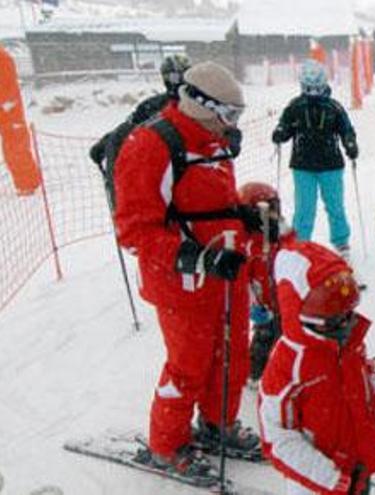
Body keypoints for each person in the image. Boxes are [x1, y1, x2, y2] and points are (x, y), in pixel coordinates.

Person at [114, 61, 260, 475]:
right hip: (182, 282)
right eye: (227, 114)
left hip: (226, 274)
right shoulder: (151, 145)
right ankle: (167, 444)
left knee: (231, 356)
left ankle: (217, 425)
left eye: (237, 116)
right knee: (189, 366)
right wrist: (197, 257)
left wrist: (241, 217)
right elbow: (135, 230)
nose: (231, 125)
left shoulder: (214, 141)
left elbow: (209, 203)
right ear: (199, 104)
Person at [258, 237, 375, 495]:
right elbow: (279, 439)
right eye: (333, 322)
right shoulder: (288, 365)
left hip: (358, 468)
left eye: (348, 316)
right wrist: (333, 480)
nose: (345, 326)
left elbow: (363, 375)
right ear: (302, 315)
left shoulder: (345, 342)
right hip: (319, 485)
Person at [272, 60, 359, 259]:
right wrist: (280, 133)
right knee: (304, 207)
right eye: (308, 88)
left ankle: (341, 242)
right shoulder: (295, 106)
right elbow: (285, 126)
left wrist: (350, 144)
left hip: (331, 165)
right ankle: (300, 243)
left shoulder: (333, 107)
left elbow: (346, 129)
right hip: (303, 166)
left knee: (335, 205)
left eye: (316, 88)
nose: (312, 93)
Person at [89, 54, 191, 170]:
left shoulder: (200, 103)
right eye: (176, 77)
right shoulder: (152, 106)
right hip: (161, 166)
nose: (181, 81)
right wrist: (105, 143)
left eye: (186, 76)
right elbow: (128, 126)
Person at [238, 182, 287, 382]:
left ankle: (280, 367)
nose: (274, 215)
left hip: (282, 297)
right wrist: (252, 304)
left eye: (276, 207)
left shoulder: (279, 236)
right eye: (269, 209)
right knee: (265, 335)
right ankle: (253, 374)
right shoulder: (248, 244)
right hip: (263, 301)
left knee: (284, 333)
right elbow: (242, 280)